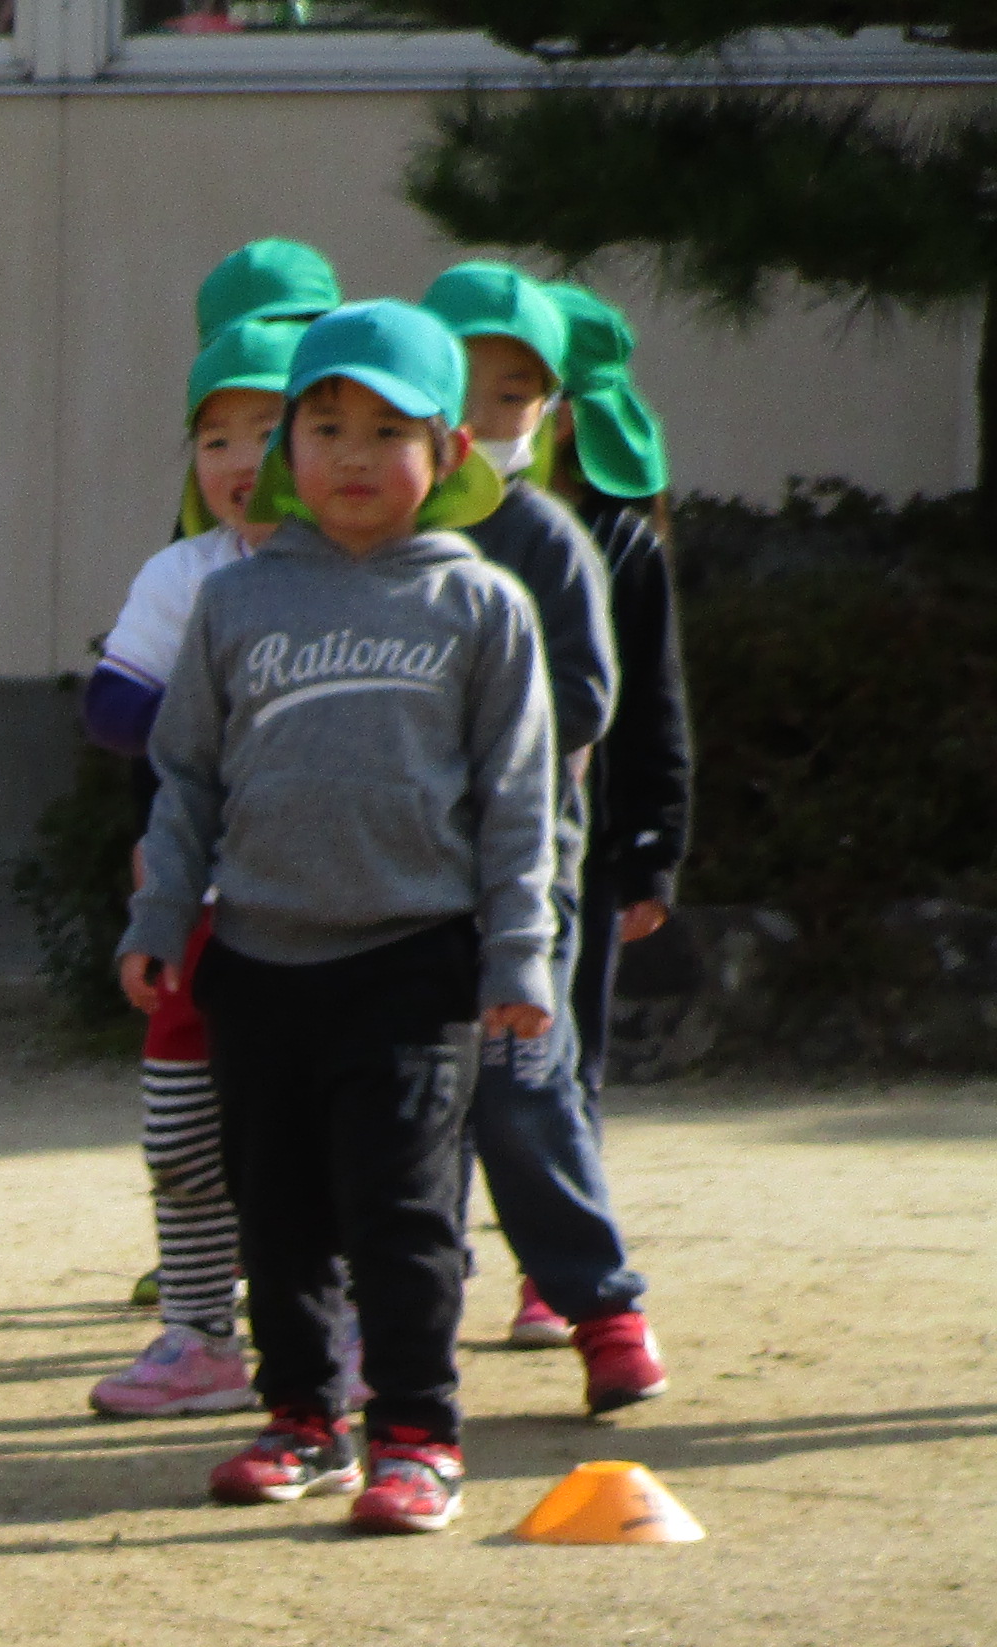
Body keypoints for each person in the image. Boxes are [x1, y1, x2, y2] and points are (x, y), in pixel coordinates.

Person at [123, 301, 559, 1539]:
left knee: (401, 1214)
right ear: (284, 453)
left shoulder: (481, 606)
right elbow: (185, 777)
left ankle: (416, 1436)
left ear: (450, 452)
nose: (353, 456)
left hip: (413, 963)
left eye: (387, 431)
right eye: (324, 428)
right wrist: (159, 914)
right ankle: (302, 1421)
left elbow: (518, 799)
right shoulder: (235, 603)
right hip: (257, 957)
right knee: (278, 1215)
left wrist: (516, 952)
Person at [422, 260, 663, 1413]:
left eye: (512, 395)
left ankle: (603, 1309)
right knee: (397, 1111)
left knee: (522, 1094)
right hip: (385, 885)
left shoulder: (547, 537)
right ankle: (394, 1329)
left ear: (552, 414)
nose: (481, 417)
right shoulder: (361, 535)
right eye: (458, 389)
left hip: (519, 880)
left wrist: (442, 747)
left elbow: (584, 698)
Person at [75, 296, 311, 1422]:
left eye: (268, 431)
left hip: (326, 907)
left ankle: (338, 1328)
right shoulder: (184, 576)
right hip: (201, 898)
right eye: (214, 439)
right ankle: (199, 1333)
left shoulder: (366, 577)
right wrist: (220, 703)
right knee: (180, 1127)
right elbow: (114, 709)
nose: (239, 460)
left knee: (311, 1130)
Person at [546, 286, 692, 1122]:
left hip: (583, 845)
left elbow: (651, 709)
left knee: (566, 1064)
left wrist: (651, 851)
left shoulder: (620, 546)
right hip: (456, 843)